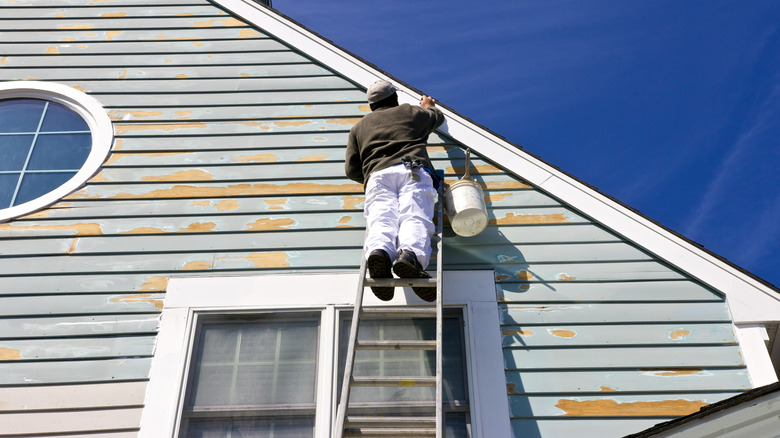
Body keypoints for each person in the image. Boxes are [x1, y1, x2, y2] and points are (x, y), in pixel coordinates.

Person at [345, 80, 445, 302]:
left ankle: (379, 253)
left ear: (372, 105)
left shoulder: (358, 128)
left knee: (381, 219)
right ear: (395, 98)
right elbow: (436, 118)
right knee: (414, 215)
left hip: (377, 177)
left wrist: (372, 173)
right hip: (411, 169)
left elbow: (351, 170)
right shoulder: (410, 112)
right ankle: (410, 257)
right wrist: (428, 105)